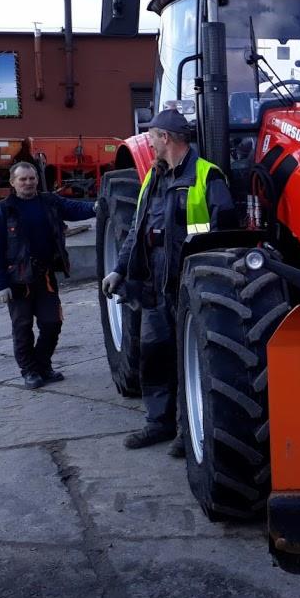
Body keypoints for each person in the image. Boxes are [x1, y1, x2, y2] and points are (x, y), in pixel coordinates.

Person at [101, 108, 234, 454]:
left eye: (153, 135)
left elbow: (224, 233)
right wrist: (119, 269)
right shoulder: (153, 178)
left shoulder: (207, 176)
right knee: (154, 355)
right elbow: (137, 229)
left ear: (167, 138)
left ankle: (185, 432)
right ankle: (157, 424)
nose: (149, 141)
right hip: (153, 283)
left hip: (190, 282)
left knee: (187, 358)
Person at [0, 161, 97, 389]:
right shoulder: (4, 210)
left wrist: (97, 207)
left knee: (52, 323)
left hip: (45, 276)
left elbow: (75, 209)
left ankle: (42, 365)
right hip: (18, 280)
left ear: (37, 179)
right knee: (23, 328)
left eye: (32, 178)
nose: (28, 183)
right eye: (23, 179)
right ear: (13, 183)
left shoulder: (50, 202)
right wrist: (0, 284)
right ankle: (29, 371)